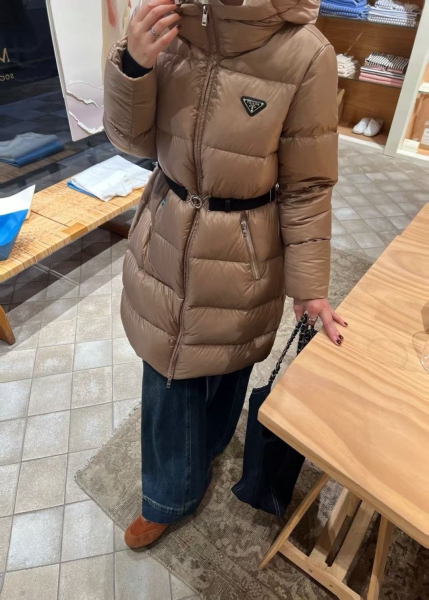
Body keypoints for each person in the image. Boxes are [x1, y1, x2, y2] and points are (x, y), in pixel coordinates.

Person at [103, 0, 346, 549]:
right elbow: (130, 141)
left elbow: (308, 185)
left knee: (230, 361)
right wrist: (134, 65)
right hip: (167, 225)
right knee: (167, 368)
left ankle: (207, 449)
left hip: (245, 242)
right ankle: (168, 495)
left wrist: (310, 287)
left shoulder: (306, 53)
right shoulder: (168, 22)